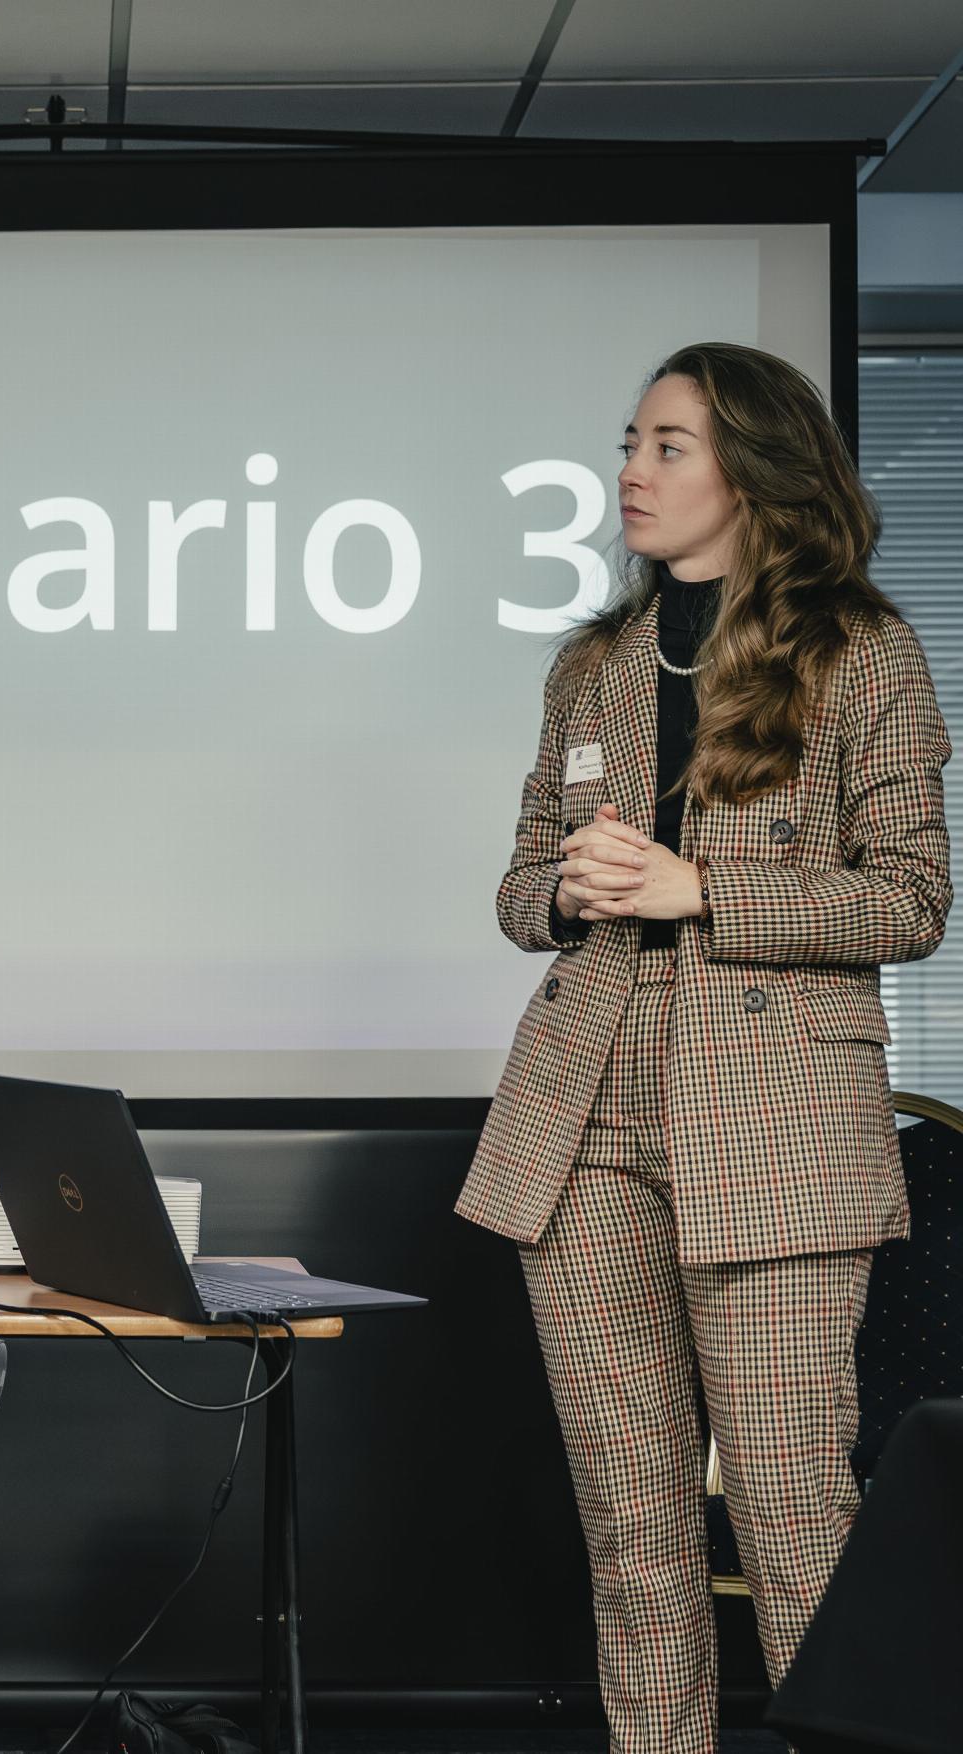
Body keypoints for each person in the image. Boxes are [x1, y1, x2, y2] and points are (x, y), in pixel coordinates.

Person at [457, 341, 951, 1754]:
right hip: (589, 1114)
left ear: (758, 469)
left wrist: (702, 889)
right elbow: (515, 889)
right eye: (631, 440)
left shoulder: (863, 650)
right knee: (634, 1527)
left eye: (669, 445)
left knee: (799, 1519)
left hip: (776, 1121)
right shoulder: (595, 666)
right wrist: (567, 889)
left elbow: (912, 898)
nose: (631, 470)